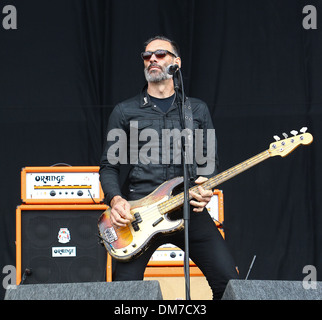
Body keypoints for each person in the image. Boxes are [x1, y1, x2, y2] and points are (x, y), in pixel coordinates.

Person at [99, 35, 238, 299]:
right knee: (124, 294)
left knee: (229, 283)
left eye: (161, 54)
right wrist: (117, 200)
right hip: (138, 215)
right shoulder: (125, 111)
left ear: (177, 63)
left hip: (185, 210)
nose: (152, 59)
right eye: (147, 56)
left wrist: (206, 186)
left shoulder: (195, 110)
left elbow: (209, 164)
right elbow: (109, 166)